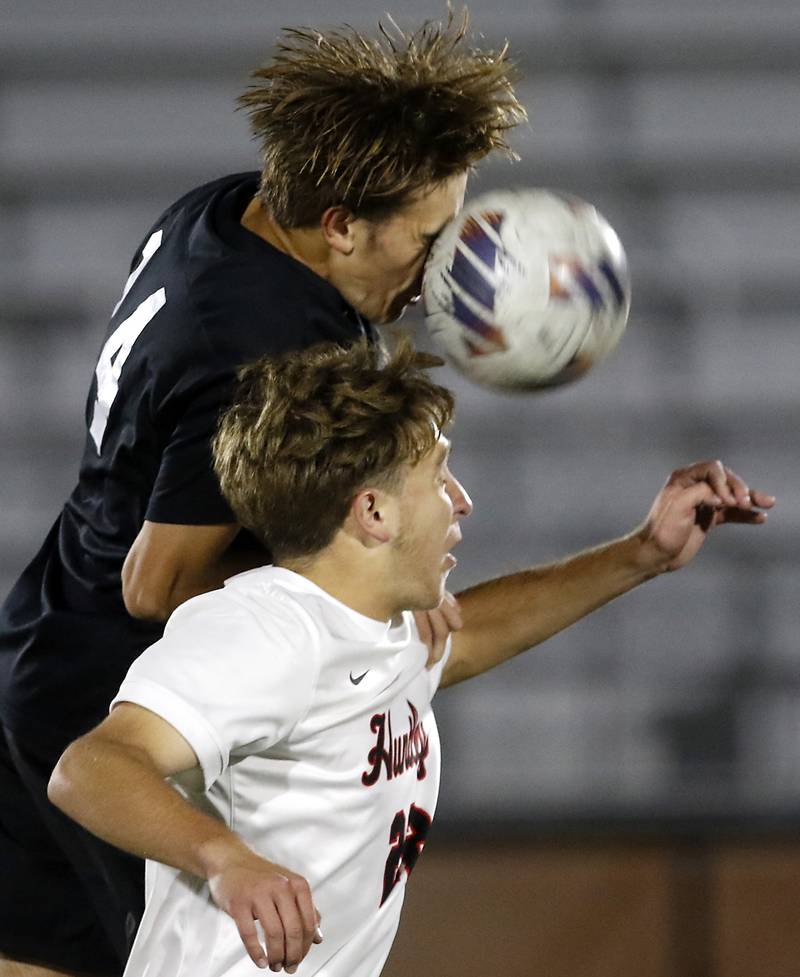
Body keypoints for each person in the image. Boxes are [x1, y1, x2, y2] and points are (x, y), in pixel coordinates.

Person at [0, 14, 526, 977]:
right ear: (340, 225)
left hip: (43, 634)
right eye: (427, 235)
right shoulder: (266, 344)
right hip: (122, 709)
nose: (440, 267)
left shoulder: (226, 209)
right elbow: (157, 583)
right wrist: (348, 574)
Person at [47, 339, 773, 977]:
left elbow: (469, 637)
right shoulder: (266, 629)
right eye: (439, 474)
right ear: (373, 512)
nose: (461, 500)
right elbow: (91, 768)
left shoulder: (381, 624)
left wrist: (642, 552)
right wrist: (224, 856)